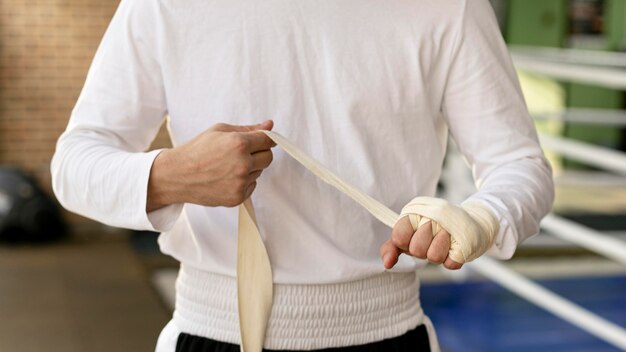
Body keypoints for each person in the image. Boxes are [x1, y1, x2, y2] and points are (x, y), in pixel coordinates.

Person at [51, 0, 554, 351]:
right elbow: (74, 164)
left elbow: (520, 165)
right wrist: (170, 175)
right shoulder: (166, 3)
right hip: (208, 333)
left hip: (388, 333)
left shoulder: (446, 6)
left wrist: (480, 218)